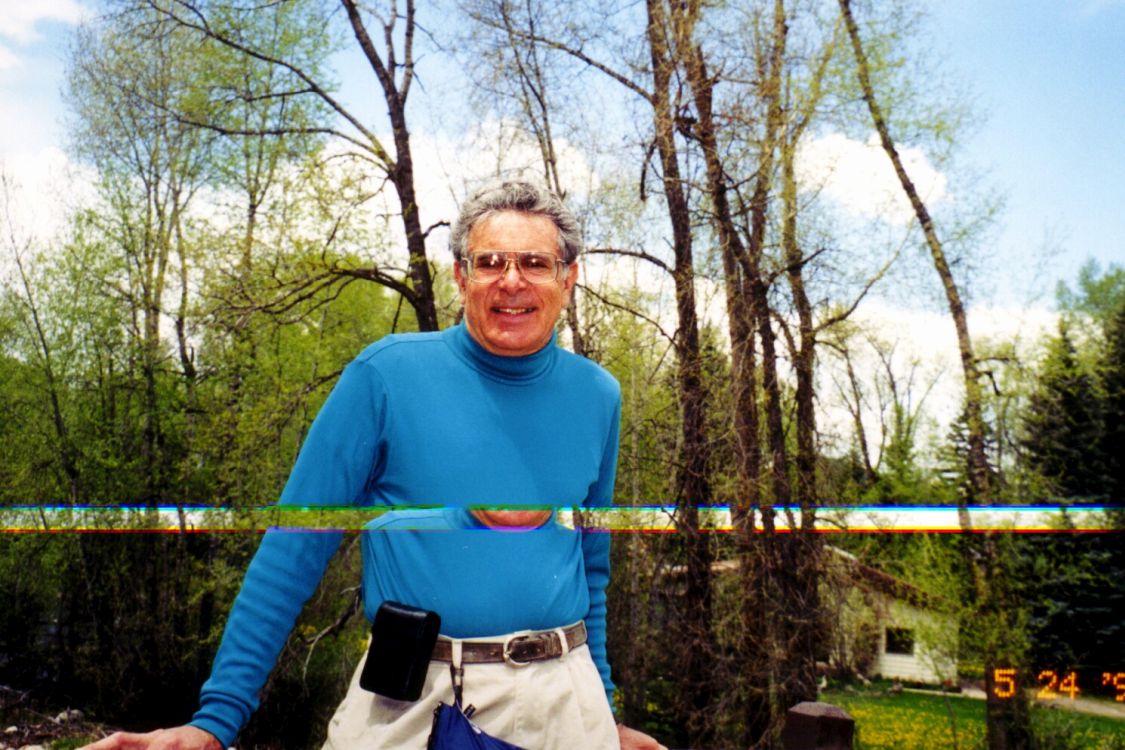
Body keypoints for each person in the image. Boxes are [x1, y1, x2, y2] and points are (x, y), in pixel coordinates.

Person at [80, 181, 665, 750]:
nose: (511, 281)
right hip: (413, 703)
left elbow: (591, 569)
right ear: (461, 276)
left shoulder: (597, 396)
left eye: (535, 263)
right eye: (490, 262)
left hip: (566, 704)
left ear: (568, 277)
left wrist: (604, 715)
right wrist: (216, 720)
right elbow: (292, 551)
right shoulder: (385, 376)